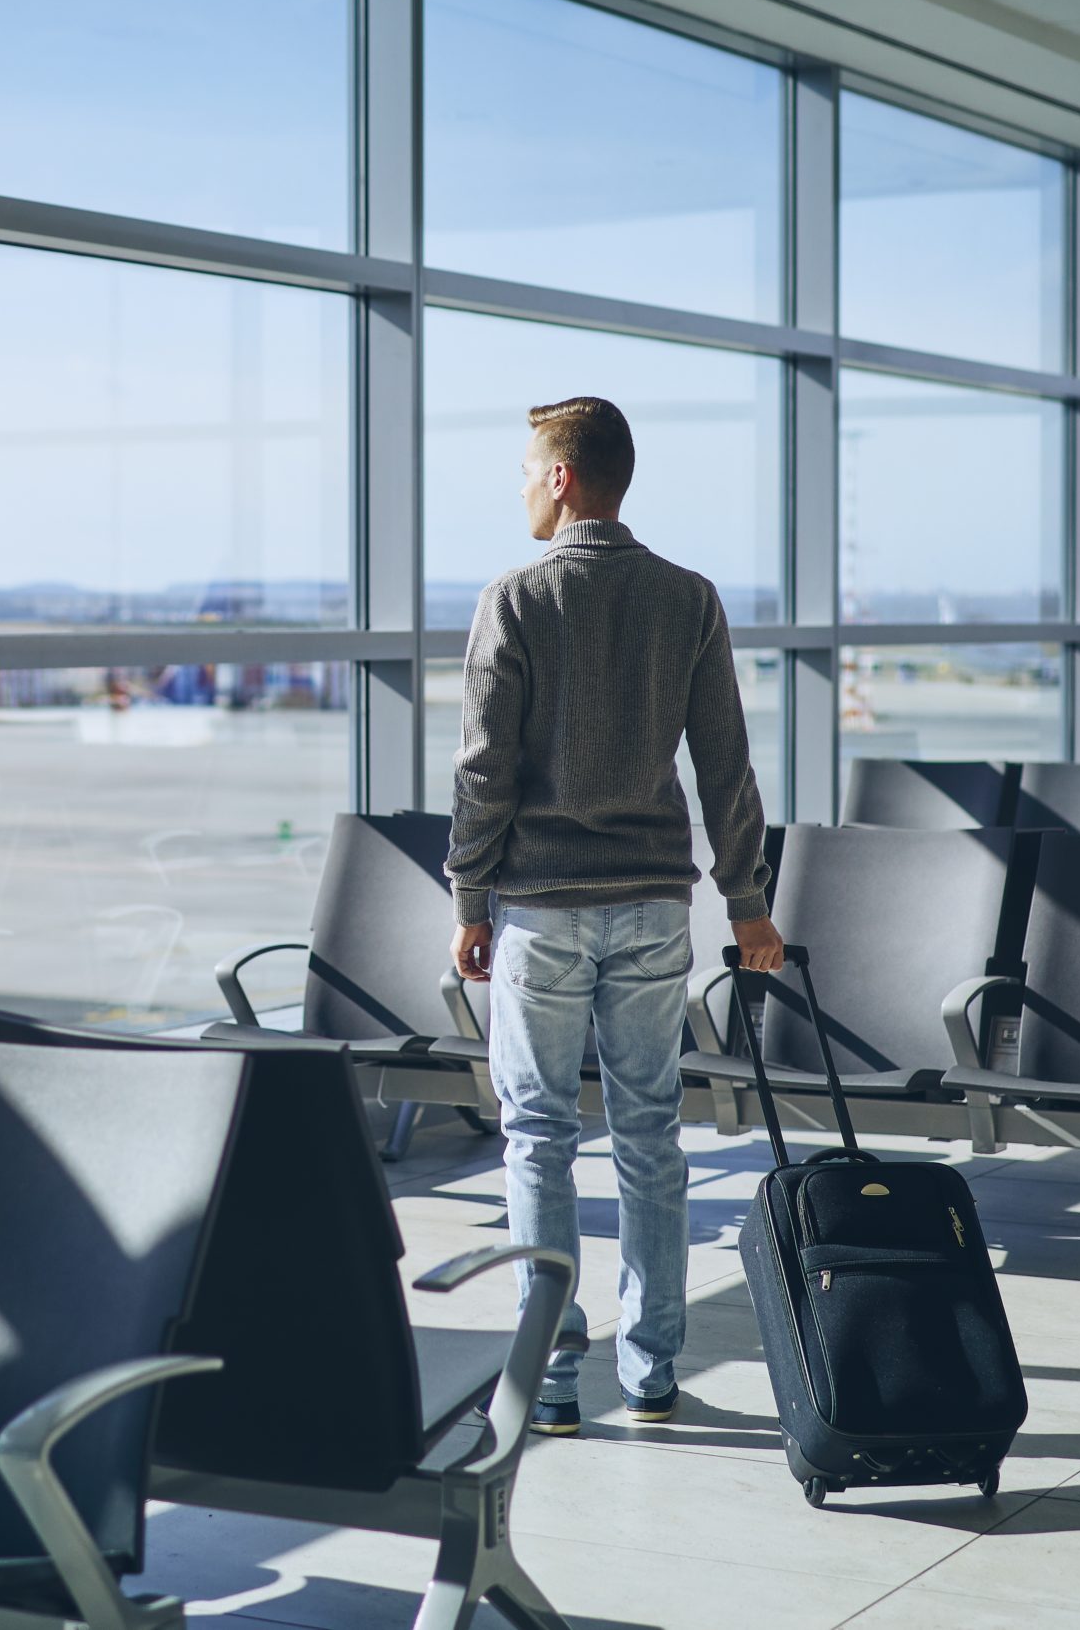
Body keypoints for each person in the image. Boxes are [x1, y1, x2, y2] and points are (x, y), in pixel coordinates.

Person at [447, 395, 783, 1437]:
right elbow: (724, 766)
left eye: (525, 469)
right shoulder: (687, 599)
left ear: (562, 477)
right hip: (650, 907)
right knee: (649, 1138)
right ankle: (651, 1371)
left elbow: (481, 771)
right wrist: (748, 906)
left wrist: (467, 896)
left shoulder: (516, 598)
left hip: (541, 912)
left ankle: (549, 1378)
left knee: (538, 1136)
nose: (517, 487)